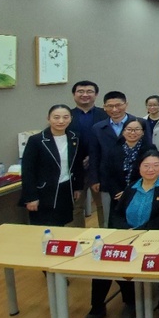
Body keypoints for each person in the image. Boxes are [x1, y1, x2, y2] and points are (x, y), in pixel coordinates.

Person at [75, 151, 159, 318]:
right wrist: (126, 231)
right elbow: (116, 214)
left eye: (156, 165)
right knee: (102, 262)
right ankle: (97, 309)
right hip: (127, 236)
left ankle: (157, 309)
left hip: (156, 239)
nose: (151, 169)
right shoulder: (132, 187)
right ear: (139, 167)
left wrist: (141, 231)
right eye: (146, 165)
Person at [20, 105, 83, 227]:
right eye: (56, 117)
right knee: (44, 226)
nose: (61, 121)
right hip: (44, 191)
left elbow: (77, 165)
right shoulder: (36, 140)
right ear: (48, 119)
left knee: (62, 224)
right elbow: (28, 171)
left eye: (65, 117)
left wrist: (77, 187)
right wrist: (31, 197)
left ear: (71, 119)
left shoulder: (74, 138)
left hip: (65, 188)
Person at [89, 91, 137, 228]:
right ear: (104, 107)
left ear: (126, 105)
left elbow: (146, 151)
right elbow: (94, 155)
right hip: (107, 178)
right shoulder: (98, 128)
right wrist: (95, 179)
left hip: (133, 178)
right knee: (108, 215)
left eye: (118, 105)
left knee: (134, 214)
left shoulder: (139, 123)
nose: (114, 109)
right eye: (110, 106)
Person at [68, 80, 107, 226]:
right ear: (74, 94)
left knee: (103, 204)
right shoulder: (67, 116)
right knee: (76, 206)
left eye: (89, 91)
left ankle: (106, 234)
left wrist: (93, 157)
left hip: (99, 167)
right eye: (80, 91)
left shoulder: (105, 115)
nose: (85, 95)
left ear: (96, 95)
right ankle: (77, 236)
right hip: (75, 168)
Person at [101, 118, 152, 212]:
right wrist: (117, 192)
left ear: (143, 132)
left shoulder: (150, 150)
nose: (132, 133)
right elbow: (108, 174)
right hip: (118, 196)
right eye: (129, 129)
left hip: (142, 194)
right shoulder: (114, 150)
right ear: (123, 131)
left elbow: (151, 175)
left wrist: (129, 193)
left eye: (137, 129)